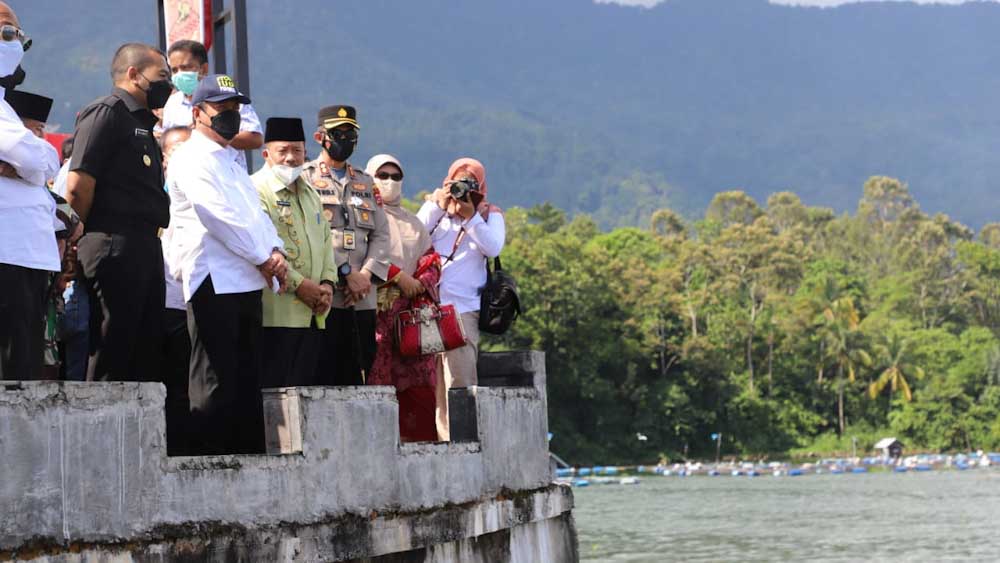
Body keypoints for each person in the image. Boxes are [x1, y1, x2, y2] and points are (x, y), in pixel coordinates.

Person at [167, 74, 287, 455]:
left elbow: (256, 214)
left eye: (236, 109)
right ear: (198, 112)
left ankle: (248, 459)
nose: (231, 116)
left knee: (247, 378)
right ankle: (211, 461)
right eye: (223, 109)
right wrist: (263, 256)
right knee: (214, 378)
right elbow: (217, 217)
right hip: (213, 279)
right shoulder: (191, 158)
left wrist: (276, 249)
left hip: (247, 280)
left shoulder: (233, 161)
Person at [66, 43, 172, 382]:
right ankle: (102, 430)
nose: (168, 85)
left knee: (144, 354)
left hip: (145, 246)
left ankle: (138, 434)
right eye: (162, 76)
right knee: (112, 350)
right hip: (113, 244)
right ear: (133, 74)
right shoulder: (106, 113)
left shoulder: (141, 123)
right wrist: (77, 235)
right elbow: (78, 185)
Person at [301, 105, 390, 386]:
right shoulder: (304, 178)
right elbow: (309, 234)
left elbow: (382, 235)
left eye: (350, 133)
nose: (345, 139)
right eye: (337, 133)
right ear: (320, 137)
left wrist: (364, 276)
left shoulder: (364, 181)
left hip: (361, 297)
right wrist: (343, 271)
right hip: (323, 294)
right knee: (322, 373)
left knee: (359, 373)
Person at [418, 158, 505, 441]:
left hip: (464, 310)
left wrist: (471, 217)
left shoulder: (489, 214)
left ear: (480, 186)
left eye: (470, 184)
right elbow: (414, 236)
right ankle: (439, 440)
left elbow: (493, 248)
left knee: (461, 381)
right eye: (458, 183)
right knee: (431, 380)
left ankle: (463, 441)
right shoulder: (438, 210)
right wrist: (437, 204)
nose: (462, 190)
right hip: (429, 309)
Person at [0, 3, 62, 381]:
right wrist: (29, 165)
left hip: (25, 254)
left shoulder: (6, 107)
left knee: (24, 367)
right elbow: (29, 155)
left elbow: (46, 160)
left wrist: (27, 168)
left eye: (19, 36)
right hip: (7, 252)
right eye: (7, 34)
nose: (15, 44)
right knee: (11, 371)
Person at [251, 117, 337, 388]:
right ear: (267, 154)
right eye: (283, 151)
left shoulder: (310, 192)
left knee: (306, 394)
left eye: (297, 151)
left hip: (314, 314)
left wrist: (326, 284)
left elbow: (325, 241)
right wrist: (301, 286)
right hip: (277, 313)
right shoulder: (256, 189)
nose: (290, 158)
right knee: (275, 394)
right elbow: (261, 246)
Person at [5, 88, 82, 380]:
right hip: (11, 260)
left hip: (39, 268)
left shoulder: (36, 172)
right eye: (34, 130)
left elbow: (72, 222)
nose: (39, 138)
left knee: (30, 356)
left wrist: (27, 170)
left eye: (41, 130)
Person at [365, 154, 441, 442]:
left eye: (396, 176)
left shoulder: (413, 223)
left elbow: (431, 258)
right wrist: (398, 277)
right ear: (369, 178)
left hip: (413, 318)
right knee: (379, 383)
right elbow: (361, 254)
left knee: (419, 387)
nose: (389, 182)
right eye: (382, 175)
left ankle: (422, 451)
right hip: (377, 312)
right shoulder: (365, 216)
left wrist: (420, 283)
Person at [161, 40, 262, 170]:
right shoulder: (172, 104)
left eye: (185, 67)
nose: (179, 74)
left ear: (203, 68)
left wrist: (215, 133)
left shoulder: (230, 98)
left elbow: (255, 139)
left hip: (228, 175)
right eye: (174, 70)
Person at [159, 124, 192, 455]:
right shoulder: (155, 194)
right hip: (163, 303)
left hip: (193, 302)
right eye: (175, 150)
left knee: (188, 385)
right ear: (163, 157)